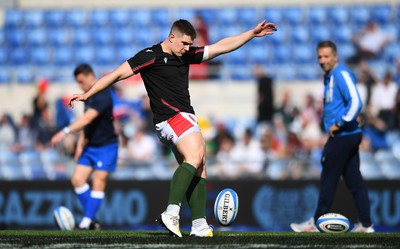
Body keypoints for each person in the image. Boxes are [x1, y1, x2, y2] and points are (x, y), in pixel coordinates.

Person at [68, 19, 277, 237]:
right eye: (185, 43)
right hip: (172, 117)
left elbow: (220, 47)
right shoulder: (150, 55)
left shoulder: (184, 54)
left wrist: (251, 34)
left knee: (198, 166)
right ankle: (171, 212)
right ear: (172, 38)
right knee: (196, 154)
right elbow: (116, 75)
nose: (188, 48)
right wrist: (87, 94)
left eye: (190, 44)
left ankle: (198, 224)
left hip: (180, 118)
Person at [290, 40, 374, 233]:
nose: (322, 60)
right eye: (319, 56)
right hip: (348, 134)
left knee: (328, 178)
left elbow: (356, 102)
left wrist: (340, 122)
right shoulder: (329, 77)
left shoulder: (340, 74)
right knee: (354, 181)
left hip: (343, 135)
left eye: (326, 56)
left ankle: (316, 222)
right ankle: (366, 224)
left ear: (335, 56)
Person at [51, 64, 118, 230]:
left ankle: (86, 222)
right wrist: (81, 142)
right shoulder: (89, 96)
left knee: (98, 181)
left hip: (106, 146)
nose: (80, 86)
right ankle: (92, 220)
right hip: (90, 145)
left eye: (81, 82)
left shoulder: (102, 93)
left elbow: (88, 119)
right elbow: (89, 125)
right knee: (77, 180)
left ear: (90, 76)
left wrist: (65, 131)